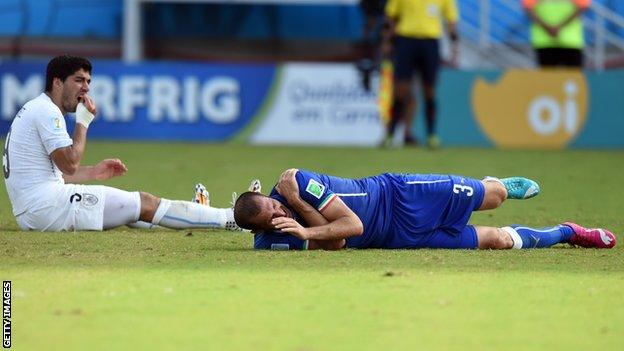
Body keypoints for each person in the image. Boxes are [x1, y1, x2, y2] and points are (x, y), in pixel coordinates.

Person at [2, 55, 239, 232]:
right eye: (78, 80)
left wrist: (94, 172)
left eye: (88, 81)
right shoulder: (47, 112)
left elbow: (53, 174)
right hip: (47, 209)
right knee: (144, 203)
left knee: (130, 213)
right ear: (57, 82)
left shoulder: (37, 108)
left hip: (36, 210)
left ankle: (201, 214)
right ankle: (231, 218)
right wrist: (83, 121)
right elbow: (70, 164)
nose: (86, 87)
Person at [233, 169, 616, 250]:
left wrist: (299, 206)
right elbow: (337, 245)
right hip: (400, 237)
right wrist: (302, 232)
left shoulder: (295, 184)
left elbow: (351, 225)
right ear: (261, 229)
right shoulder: (272, 242)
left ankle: (495, 183)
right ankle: (568, 232)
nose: (280, 209)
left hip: (400, 194)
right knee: (498, 240)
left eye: (274, 203)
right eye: (273, 215)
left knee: (493, 199)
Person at [382, 0, 459, 148]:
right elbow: (390, 17)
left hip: (430, 43)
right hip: (405, 41)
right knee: (401, 90)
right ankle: (390, 135)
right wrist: (387, 41)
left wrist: (455, 46)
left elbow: (451, 21)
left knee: (430, 90)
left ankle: (431, 136)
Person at [523, 0, 590, 68]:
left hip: (565, 41)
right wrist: (558, 27)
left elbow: (582, 7)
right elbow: (528, 8)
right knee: (552, 76)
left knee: (570, 76)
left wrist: (548, 28)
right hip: (551, 41)